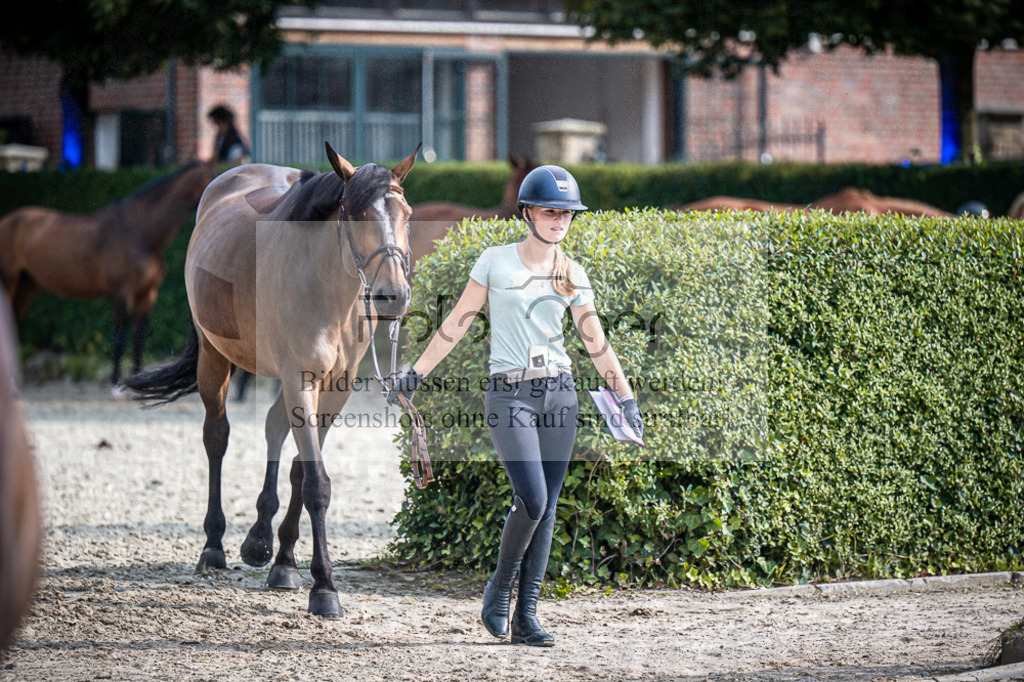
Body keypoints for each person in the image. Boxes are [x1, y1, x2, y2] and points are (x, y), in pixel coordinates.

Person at [386, 165, 643, 647]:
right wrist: (416, 373)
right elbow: (457, 322)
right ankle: (499, 590)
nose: (560, 221)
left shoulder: (573, 273)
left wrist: (625, 398)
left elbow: (596, 342)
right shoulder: (495, 262)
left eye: (567, 214)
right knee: (533, 499)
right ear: (527, 212)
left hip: (560, 393)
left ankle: (527, 615)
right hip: (509, 393)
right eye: (550, 212)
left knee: (546, 510)